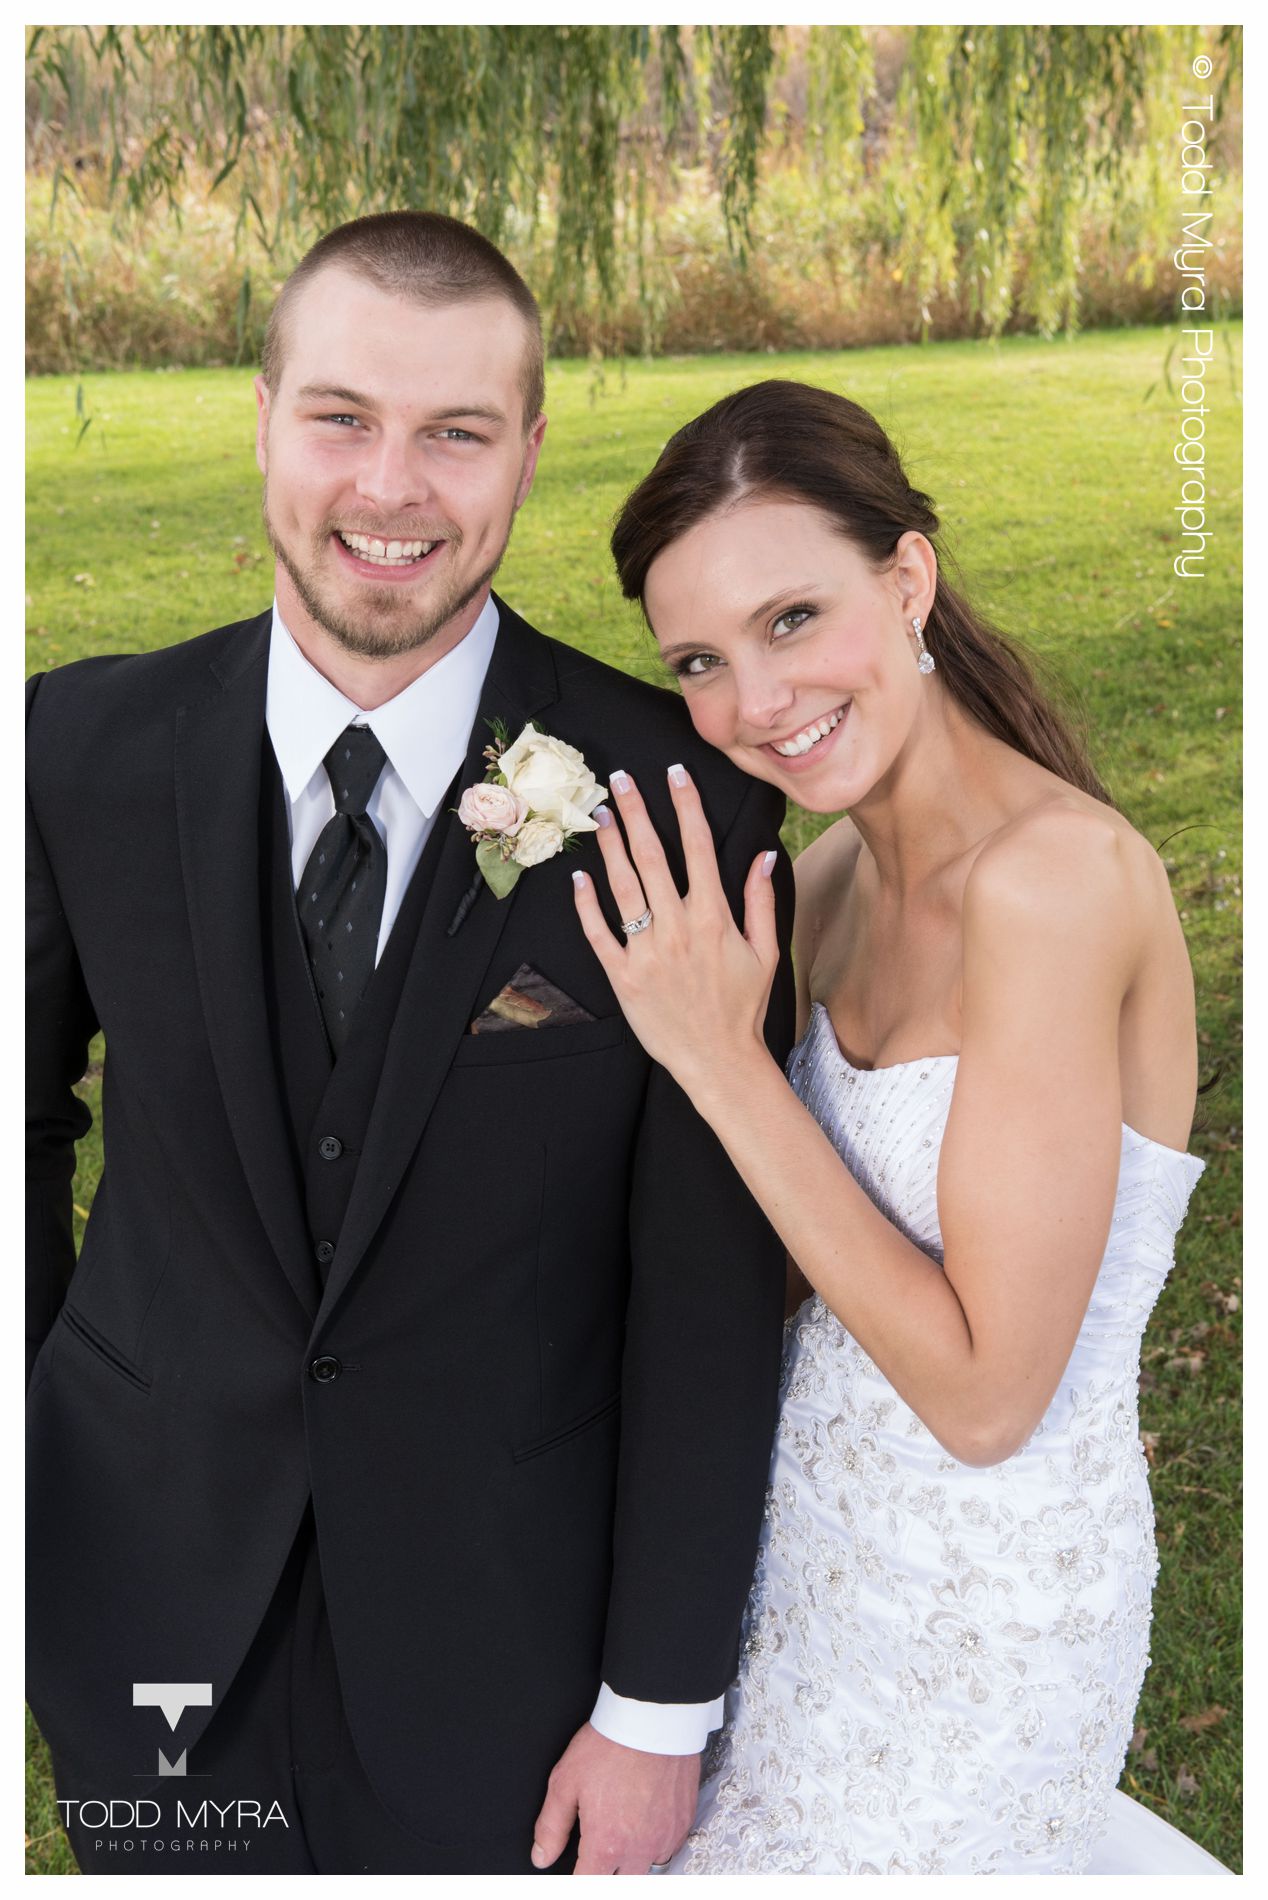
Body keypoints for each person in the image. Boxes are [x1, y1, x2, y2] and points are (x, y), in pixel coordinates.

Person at [25, 215, 797, 1875]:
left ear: (527, 450)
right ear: (261, 416)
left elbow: (711, 1286)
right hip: (140, 1623)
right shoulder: (71, 751)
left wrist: (658, 1711)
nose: (393, 487)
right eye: (343, 418)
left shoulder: (683, 796)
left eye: (456, 432)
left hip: (515, 1675)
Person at [570, 381, 1230, 1875]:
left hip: (972, 1627)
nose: (753, 701)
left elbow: (992, 1394)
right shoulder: (823, 894)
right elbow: (786, 1257)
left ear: (910, 576)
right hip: (796, 1573)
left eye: (793, 619)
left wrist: (722, 1064)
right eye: (699, 660)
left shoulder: (1053, 886)